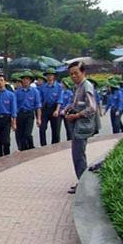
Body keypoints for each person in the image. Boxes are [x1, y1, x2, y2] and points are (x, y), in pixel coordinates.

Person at [64, 61, 97, 194]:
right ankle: (82, 181)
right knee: (77, 154)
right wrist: (69, 108)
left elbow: (92, 108)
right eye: (71, 74)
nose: (73, 76)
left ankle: (83, 184)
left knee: (78, 155)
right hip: (78, 125)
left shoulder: (86, 86)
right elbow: (78, 103)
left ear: (83, 72)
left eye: (76, 73)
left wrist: (76, 115)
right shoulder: (78, 86)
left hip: (82, 126)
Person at [14, 71, 41, 151]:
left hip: (29, 114)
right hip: (19, 115)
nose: (25, 81)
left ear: (30, 81)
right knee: (20, 134)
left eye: (27, 79)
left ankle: (30, 147)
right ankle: (23, 150)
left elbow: (38, 106)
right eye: (24, 79)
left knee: (27, 134)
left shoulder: (35, 92)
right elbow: (14, 106)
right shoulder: (17, 92)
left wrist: (38, 118)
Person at [38, 68, 62, 145]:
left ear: (54, 76)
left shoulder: (58, 87)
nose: (49, 77)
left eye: (51, 75)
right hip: (45, 108)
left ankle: (55, 146)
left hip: (54, 108)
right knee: (42, 129)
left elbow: (59, 99)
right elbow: (40, 100)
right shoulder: (42, 87)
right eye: (48, 75)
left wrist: (57, 110)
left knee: (56, 130)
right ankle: (43, 145)